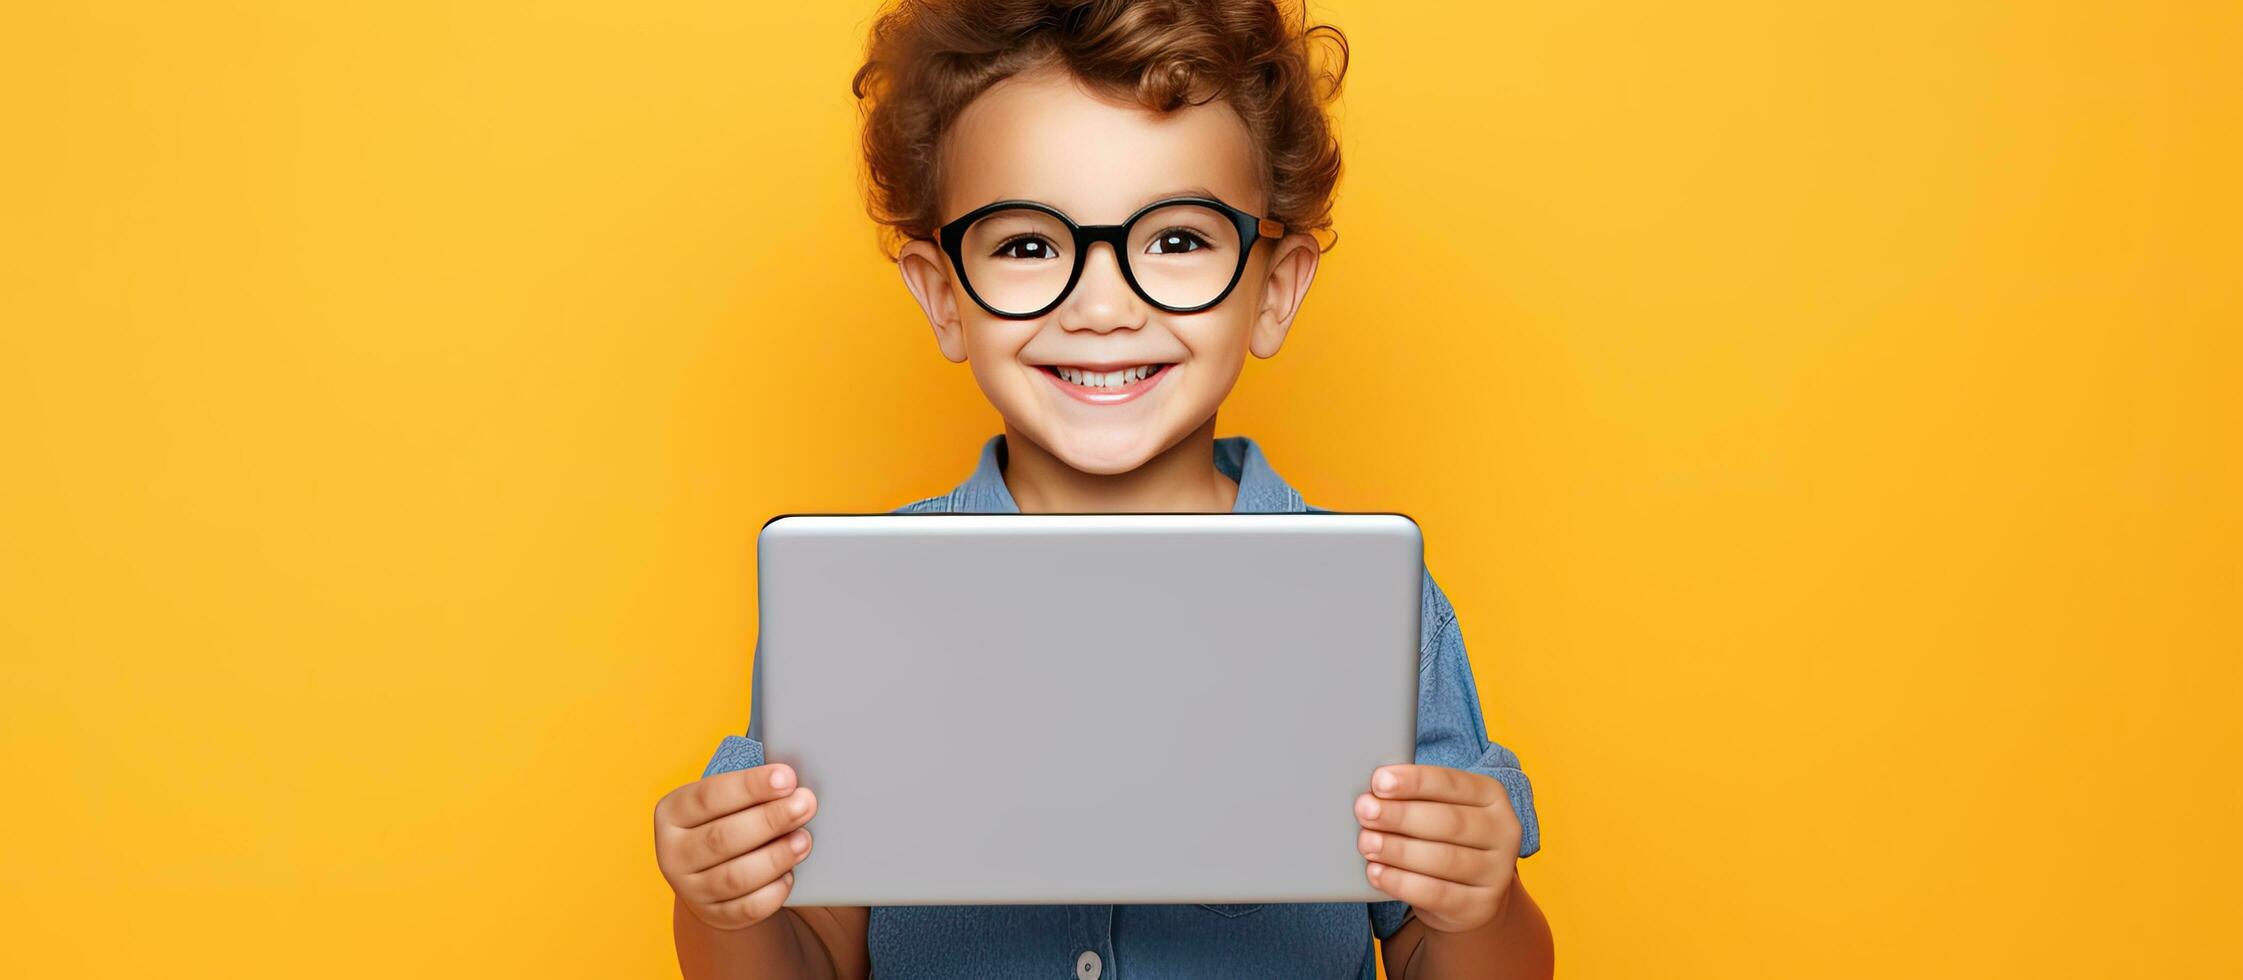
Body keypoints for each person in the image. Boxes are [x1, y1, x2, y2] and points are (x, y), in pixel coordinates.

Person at [653, 2, 1551, 976]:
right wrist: (723, 904)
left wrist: (1473, 901)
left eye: (1174, 239)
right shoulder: (857, 608)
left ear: (1276, 286)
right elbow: (813, 957)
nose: (1102, 305)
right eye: (1027, 245)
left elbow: (1456, 954)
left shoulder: (1376, 612)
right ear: (942, 295)